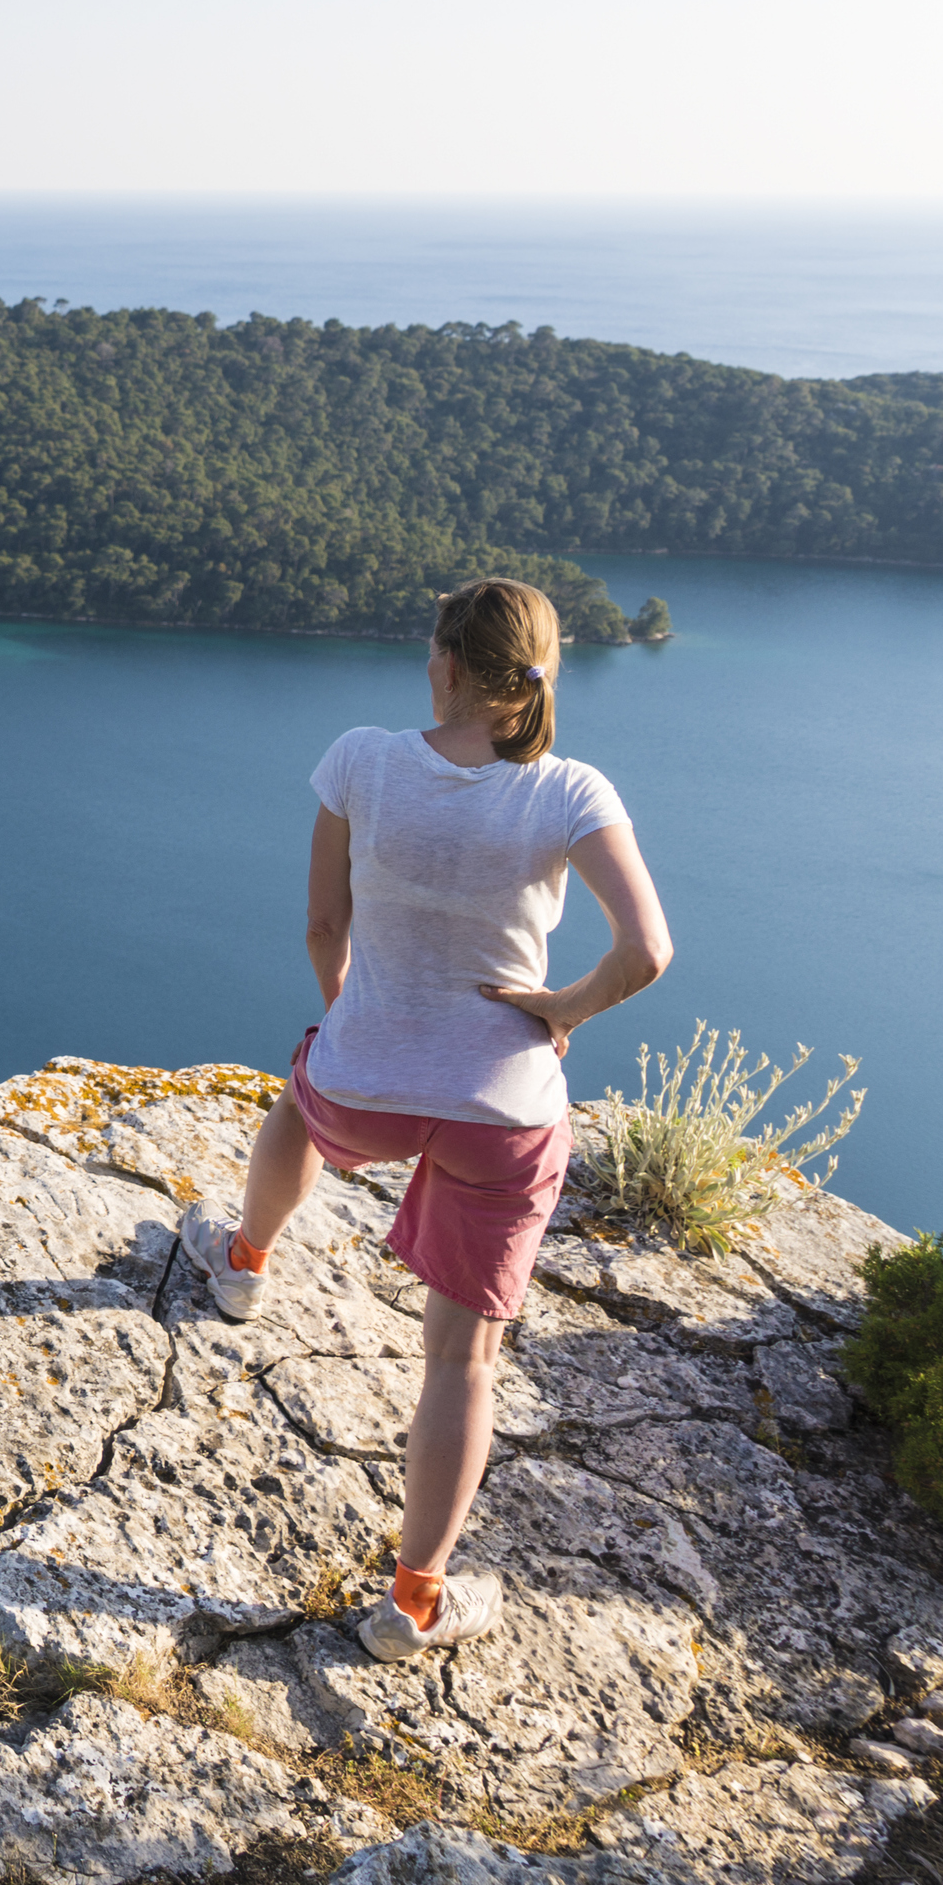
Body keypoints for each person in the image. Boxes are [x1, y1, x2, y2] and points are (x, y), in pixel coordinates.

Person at [178, 577, 671, 1659]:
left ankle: (244, 1264)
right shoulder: (571, 790)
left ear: (444, 661)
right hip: (503, 1114)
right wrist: (561, 1010)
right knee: (461, 1365)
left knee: (298, 1104)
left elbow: (324, 923)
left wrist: (356, 1020)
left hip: (363, 1088)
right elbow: (646, 951)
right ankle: (413, 1602)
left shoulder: (361, 758)